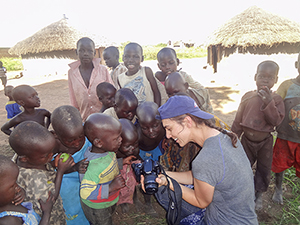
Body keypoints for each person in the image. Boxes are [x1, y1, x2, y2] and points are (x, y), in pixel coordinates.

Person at [148, 95, 258, 224]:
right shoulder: (225, 136)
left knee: (163, 190)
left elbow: (201, 202)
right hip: (244, 217)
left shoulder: (206, 158)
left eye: (169, 128)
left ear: (187, 121)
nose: (168, 135)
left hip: (223, 221)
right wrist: (164, 174)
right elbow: (201, 176)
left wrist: (168, 182)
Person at [231, 60, 285, 210]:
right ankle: (243, 191)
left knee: (263, 169)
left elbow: (275, 121)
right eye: (262, 76)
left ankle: (259, 195)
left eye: (270, 77)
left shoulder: (277, 100)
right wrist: (233, 135)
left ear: (276, 80)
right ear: (255, 77)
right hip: (246, 141)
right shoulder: (247, 97)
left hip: (265, 142)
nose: (265, 80)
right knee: (244, 166)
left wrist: (269, 102)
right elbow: (239, 119)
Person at [9, 121, 75, 225]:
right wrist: (61, 171)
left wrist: (52, 163)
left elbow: (38, 161)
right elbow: (52, 198)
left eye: (51, 151)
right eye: (46, 155)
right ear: (25, 158)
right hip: (49, 218)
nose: (51, 155)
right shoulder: (38, 183)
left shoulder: (20, 158)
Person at [79, 113, 125, 225]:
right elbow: (85, 193)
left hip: (107, 200)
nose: (121, 140)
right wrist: (110, 187)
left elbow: (108, 165)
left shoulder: (107, 150)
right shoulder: (93, 166)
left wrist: (122, 162)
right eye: (116, 138)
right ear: (98, 142)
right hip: (97, 207)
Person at [51, 105, 92, 225]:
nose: (77, 143)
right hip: (66, 176)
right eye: (70, 140)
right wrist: (73, 167)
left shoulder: (88, 133)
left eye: (80, 137)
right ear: (56, 135)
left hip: (88, 173)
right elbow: (51, 165)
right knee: (71, 200)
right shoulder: (54, 144)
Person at [272, 53, 300, 205]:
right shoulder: (287, 86)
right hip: (285, 136)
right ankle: (278, 189)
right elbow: (276, 104)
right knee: (279, 164)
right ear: (297, 65)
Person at [68, 37, 114, 121]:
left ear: (94, 53)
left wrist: (103, 111)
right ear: (76, 52)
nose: (86, 53)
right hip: (85, 120)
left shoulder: (103, 70)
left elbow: (112, 95)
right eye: (82, 50)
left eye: (89, 51)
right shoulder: (71, 73)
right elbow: (73, 100)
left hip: (105, 118)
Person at [0, 155, 56, 225]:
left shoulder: (6, 200)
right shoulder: (8, 221)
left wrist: (22, 192)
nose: (18, 187)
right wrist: (47, 213)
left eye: (16, 182)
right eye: (12, 186)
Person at [164, 72, 230, 130]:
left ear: (186, 86)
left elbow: (211, 115)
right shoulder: (169, 105)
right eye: (169, 94)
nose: (174, 96)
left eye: (176, 92)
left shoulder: (202, 95)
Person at [135, 101, 165, 216]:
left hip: (157, 151)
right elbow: (134, 148)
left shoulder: (164, 127)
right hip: (141, 153)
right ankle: (147, 203)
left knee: (155, 175)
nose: (151, 131)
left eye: (155, 126)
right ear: (139, 124)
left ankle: (156, 193)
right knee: (144, 176)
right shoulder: (136, 132)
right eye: (145, 128)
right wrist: (141, 161)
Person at [116, 118, 141, 213]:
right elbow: (109, 165)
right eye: (127, 146)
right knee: (121, 187)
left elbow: (136, 157)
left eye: (135, 143)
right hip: (118, 170)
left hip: (129, 170)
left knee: (132, 183)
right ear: (118, 142)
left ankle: (135, 198)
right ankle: (122, 202)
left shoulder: (133, 148)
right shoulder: (112, 151)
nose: (132, 148)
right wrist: (121, 162)